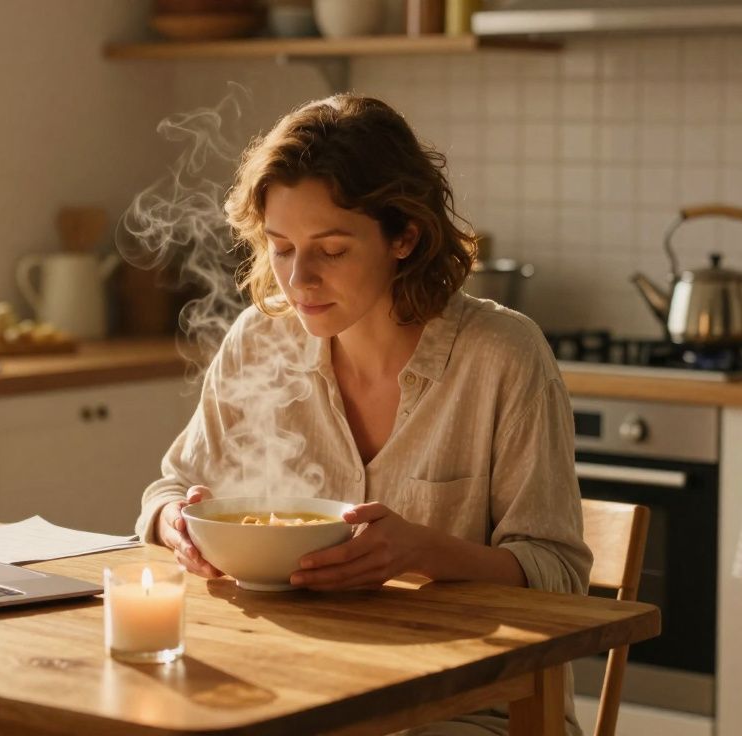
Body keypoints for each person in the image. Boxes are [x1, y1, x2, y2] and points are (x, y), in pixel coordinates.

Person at [134, 94, 592, 736]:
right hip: (298, 691)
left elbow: (560, 578)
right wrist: (177, 525)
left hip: (473, 708)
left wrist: (423, 551)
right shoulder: (259, 342)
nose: (299, 280)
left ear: (404, 236)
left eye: (331, 250)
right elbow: (171, 489)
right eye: (282, 248)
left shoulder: (502, 356)